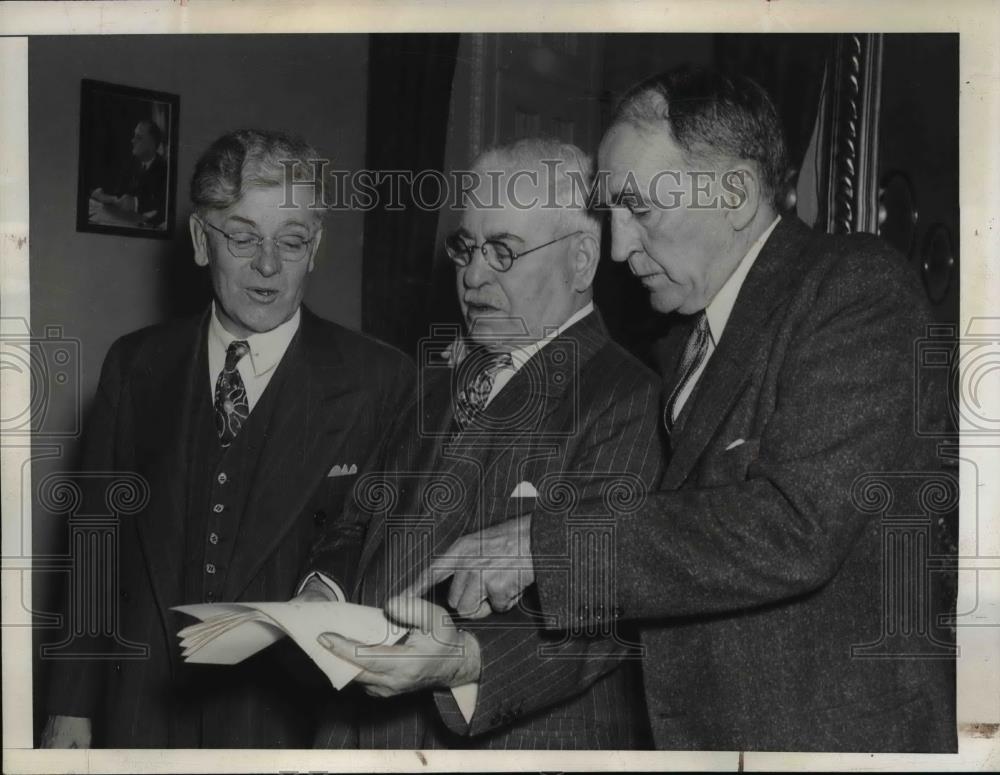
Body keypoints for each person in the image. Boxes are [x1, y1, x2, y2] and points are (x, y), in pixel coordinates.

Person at [412, 66, 957, 752]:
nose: (618, 247)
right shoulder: (679, 345)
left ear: (734, 193)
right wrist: (469, 656)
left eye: (640, 207)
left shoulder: (854, 288)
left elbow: (794, 524)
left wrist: (540, 544)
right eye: (611, 213)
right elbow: (670, 559)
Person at [43, 129, 415, 748]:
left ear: (316, 246)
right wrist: (69, 705)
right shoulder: (135, 366)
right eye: (242, 237)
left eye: (291, 241)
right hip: (139, 714)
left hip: (288, 726)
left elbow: (386, 549)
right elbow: (94, 548)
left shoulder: (381, 380)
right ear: (199, 239)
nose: (267, 265)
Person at [305, 138, 663, 749]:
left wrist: (465, 660)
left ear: (581, 260)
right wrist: (324, 588)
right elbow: (358, 522)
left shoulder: (627, 400)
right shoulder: (437, 381)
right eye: (466, 248)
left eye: (503, 251)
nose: (472, 276)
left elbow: (606, 613)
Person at [90, 120, 168, 227]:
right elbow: (119, 191)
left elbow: (162, 206)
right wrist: (103, 194)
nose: (132, 140)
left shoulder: (165, 170)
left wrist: (136, 203)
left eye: (139, 137)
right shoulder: (132, 163)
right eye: (134, 136)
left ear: (152, 144)